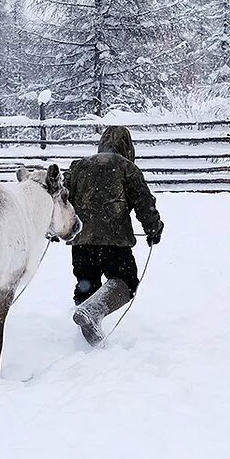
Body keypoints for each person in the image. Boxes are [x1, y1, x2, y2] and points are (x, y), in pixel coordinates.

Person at [64, 125, 164, 345]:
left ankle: (84, 338)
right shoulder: (126, 167)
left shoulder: (78, 166)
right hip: (114, 241)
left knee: (87, 285)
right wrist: (153, 227)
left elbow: (62, 197)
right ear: (127, 146)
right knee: (126, 281)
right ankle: (92, 313)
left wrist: (56, 227)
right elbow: (143, 201)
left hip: (81, 241)